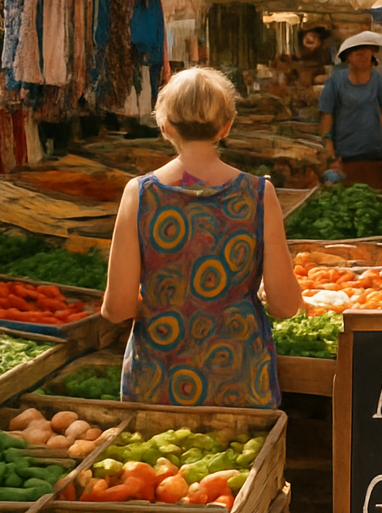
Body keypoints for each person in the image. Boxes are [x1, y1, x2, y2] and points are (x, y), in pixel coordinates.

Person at [102, 67, 303, 408]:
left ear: (164, 125)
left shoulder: (140, 194)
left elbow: (118, 308)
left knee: (156, 462)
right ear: (227, 126)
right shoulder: (257, 194)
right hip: (239, 377)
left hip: (158, 379)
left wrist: (171, 303)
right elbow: (285, 306)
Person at [319, 31, 382, 191]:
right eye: (359, 54)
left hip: (375, 158)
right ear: (348, 58)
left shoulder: (380, 83)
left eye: (367, 54)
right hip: (344, 159)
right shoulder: (334, 83)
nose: (364, 58)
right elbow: (326, 120)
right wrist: (330, 156)